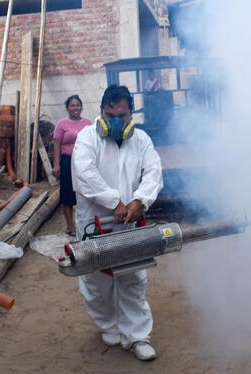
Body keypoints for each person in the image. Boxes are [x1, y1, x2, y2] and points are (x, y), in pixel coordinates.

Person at [71, 85, 163, 361]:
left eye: (121, 116)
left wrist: (140, 201)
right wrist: (115, 202)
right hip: (95, 222)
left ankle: (137, 335)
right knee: (96, 280)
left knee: (133, 276)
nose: (115, 122)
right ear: (101, 111)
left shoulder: (141, 139)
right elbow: (84, 173)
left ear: (130, 115)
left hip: (128, 224)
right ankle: (109, 325)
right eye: (109, 114)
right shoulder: (87, 138)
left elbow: (153, 171)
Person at [52, 95, 92, 236]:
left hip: (85, 162)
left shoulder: (88, 123)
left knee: (86, 192)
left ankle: (87, 223)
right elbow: (56, 144)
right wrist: (56, 164)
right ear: (67, 108)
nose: (75, 108)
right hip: (68, 161)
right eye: (72, 105)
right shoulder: (62, 123)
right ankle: (71, 226)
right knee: (68, 194)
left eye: (77, 105)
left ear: (81, 107)